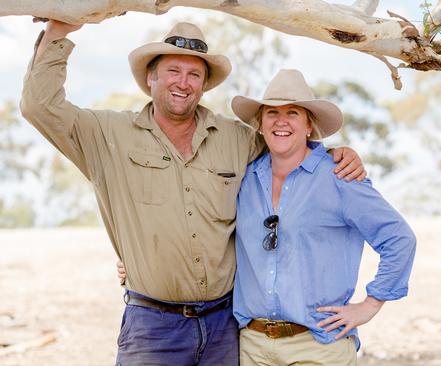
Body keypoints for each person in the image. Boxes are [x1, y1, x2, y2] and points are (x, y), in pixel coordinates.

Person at [20, 20, 366, 365]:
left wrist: (335, 154)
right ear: (150, 78)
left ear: (204, 85)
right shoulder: (107, 136)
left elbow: (288, 142)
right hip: (152, 327)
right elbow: (40, 107)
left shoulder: (237, 139)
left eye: (194, 75)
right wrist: (57, 33)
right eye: (173, 70)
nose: (183, 83)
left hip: (225, 325)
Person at [231, 69, 417, 365]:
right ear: (261, 124)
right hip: (252, 347)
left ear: (309, 126)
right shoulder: (243, 178)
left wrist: (369, 305)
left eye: (292, 112)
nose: (281, 121)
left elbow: (399, 239)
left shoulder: (339, 176)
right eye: (272, 112)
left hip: (318, 347)